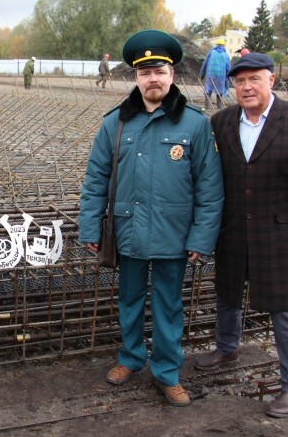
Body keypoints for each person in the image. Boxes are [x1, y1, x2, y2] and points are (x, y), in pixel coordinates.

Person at [78, 30, 224, 407]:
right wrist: (91, 226)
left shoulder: (194, 124)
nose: (152, 79)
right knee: (129, 300)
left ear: (172, 75)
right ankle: (130, 357)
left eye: (159, 71)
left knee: (168, 305)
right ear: (136, 78)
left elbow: (209, 187)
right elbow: (96, 178)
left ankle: (166, 372)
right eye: (145, 73)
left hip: (173, 234)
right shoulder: (115, 123)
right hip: (127, 230)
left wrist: (201, 237)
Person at [195, 53, 288, 418]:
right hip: (233, 228)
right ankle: (227, 347)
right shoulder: (221, 122)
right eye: (240, 81)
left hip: (279, 233)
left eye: (254, 79)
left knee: (285, 308)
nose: (247, 87)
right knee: (228, 294)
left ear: (272, 80)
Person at [200, 38, 231, 111]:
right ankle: (220, 108)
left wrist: (202, 73)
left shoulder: (211, 52)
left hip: (210, 74)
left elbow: (205, 63)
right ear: (223, 45)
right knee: (220, 91)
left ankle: (207, 108)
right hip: (221, 76)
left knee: (208, 90)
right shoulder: (225, 55)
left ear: (216, 45)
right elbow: (228, 67)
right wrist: (228, 77)